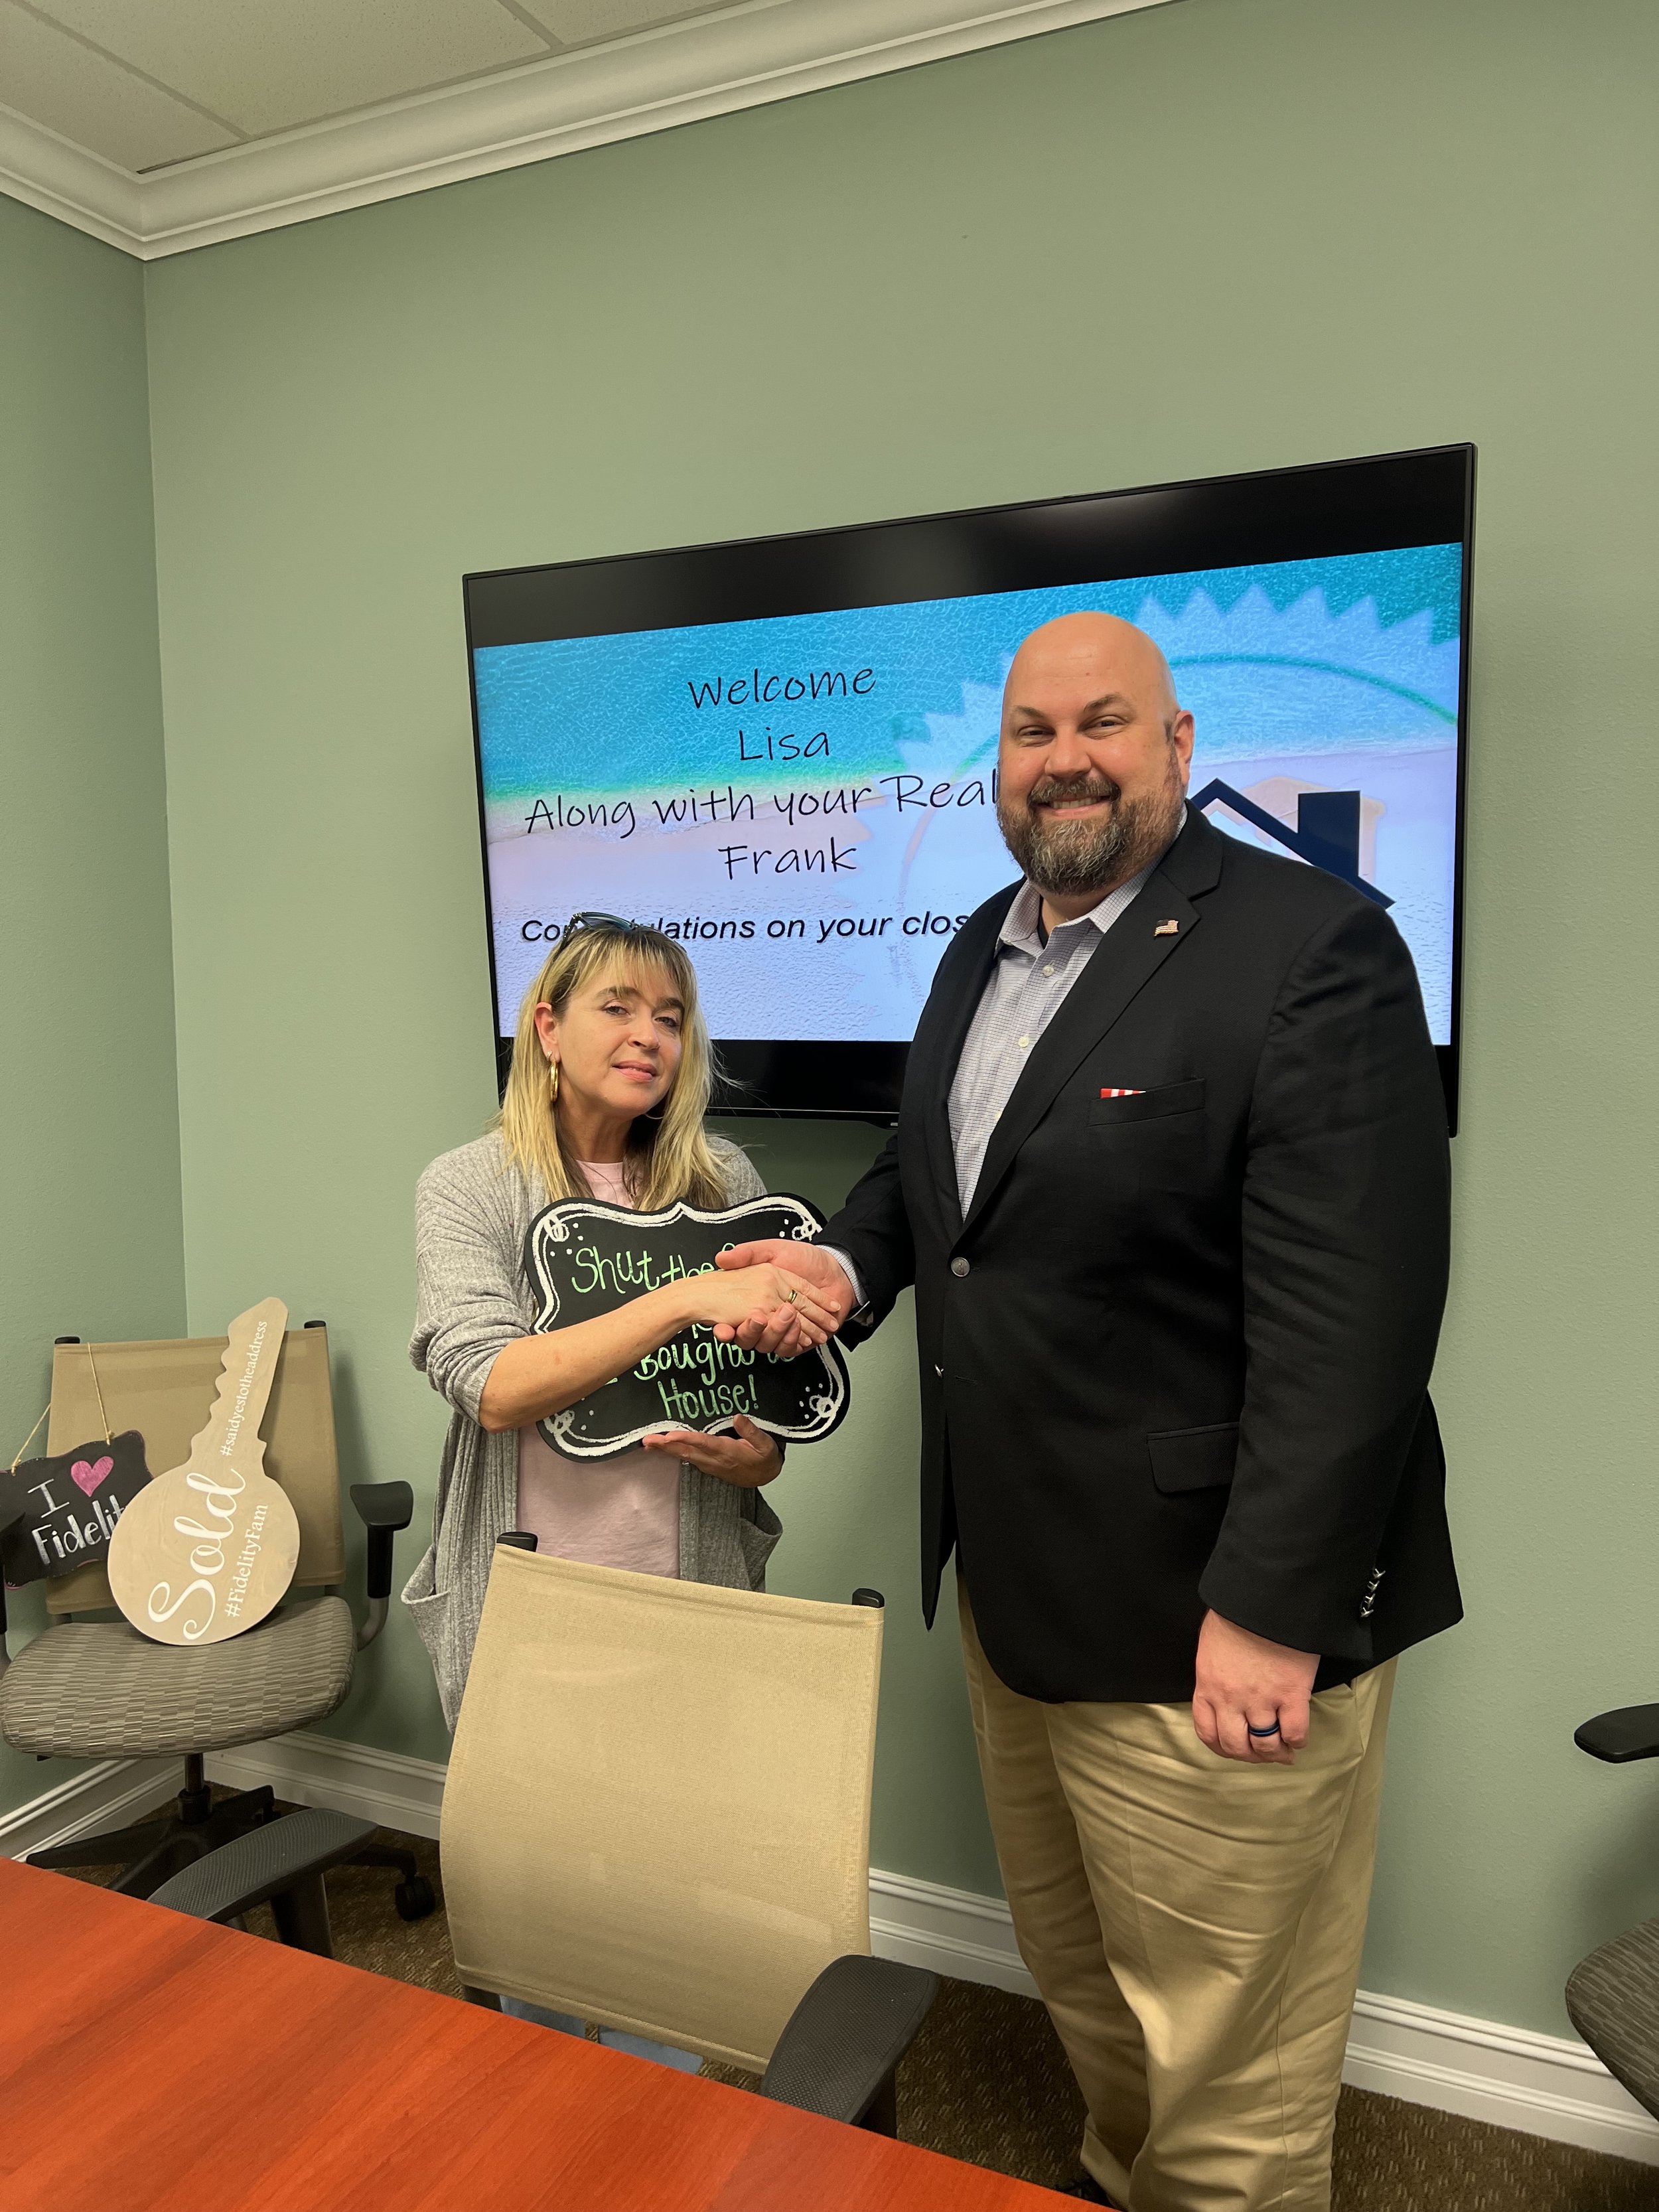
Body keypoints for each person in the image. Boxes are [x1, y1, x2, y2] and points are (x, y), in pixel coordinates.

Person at [714, 613, 1459, 2211]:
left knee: (1227, 2070)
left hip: (1208, 1622)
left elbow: (1359, 1321)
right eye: (1027, 730)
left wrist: (1269, 1608)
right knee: (1095, 1998)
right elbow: (933, 1184)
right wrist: (840, 1265)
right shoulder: (980, 939)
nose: (1062, 757)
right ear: (994, 763)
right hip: (1021, 1598)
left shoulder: (1310, 944)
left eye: (1102, 722)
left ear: (1178, 749)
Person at [405, 912, 832, 2065]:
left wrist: (759, 1456)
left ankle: (662, 2126)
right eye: (618, 1007)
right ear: (545, 1026)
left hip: (685, 1593)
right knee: (536, 1916)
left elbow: (760, 1411)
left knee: (666, 1903)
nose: (650, 1036)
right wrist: (677, 1300)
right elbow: (490, 1384)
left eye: (674, 1017)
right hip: (530, 1619)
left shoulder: (721, 1181)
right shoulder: (470, 1187)